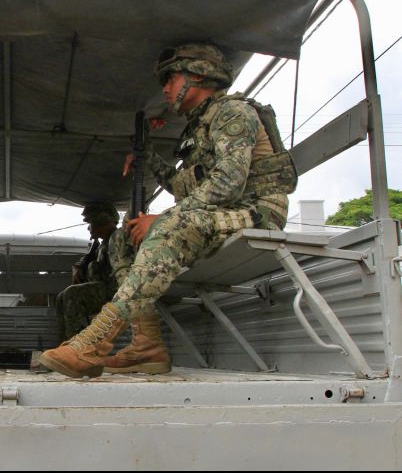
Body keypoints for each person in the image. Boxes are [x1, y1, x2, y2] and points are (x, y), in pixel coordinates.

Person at [39, 42, 295, 378]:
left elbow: (229, 182)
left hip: (258, 212)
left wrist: (165, 218)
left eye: (170, 78)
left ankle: (93, 343)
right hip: (220, 214)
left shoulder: (233, 113)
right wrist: (150, 161)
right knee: (120, 240)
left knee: (167, 227)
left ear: (198, 75)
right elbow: (184, 186)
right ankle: (147, 345)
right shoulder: (201, 126)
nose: (165, 88)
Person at [55, 202, 134, 343]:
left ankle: (78, 345)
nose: (88, 227)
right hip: (104, 288)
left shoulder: (118, 238)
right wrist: (78, 267)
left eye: (91, 222)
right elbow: (85, 260)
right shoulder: (100, 245)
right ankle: (66, 343)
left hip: (117, 290)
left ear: (100, 221)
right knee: (61, 297)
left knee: (72, 294)